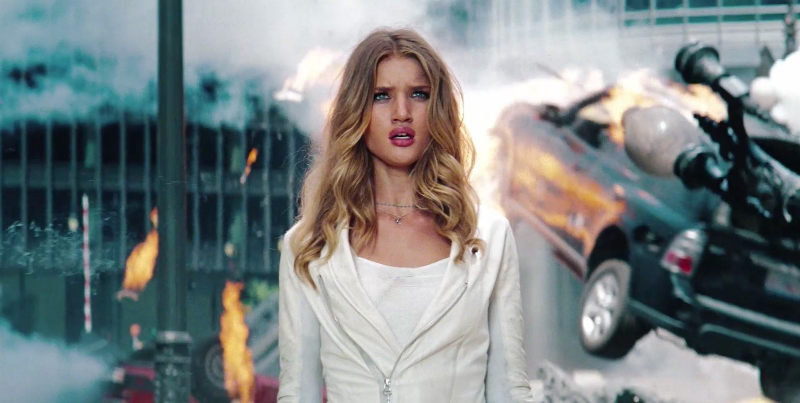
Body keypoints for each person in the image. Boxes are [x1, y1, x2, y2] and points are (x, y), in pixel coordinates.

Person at [277, 27, 533, 403]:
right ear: (357, 111)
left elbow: (509, 389)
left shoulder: (488, 238)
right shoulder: (310, 246)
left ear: (438, 108)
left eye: (419, 94)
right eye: (381, 96)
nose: (402, 113)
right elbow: (299, 392)